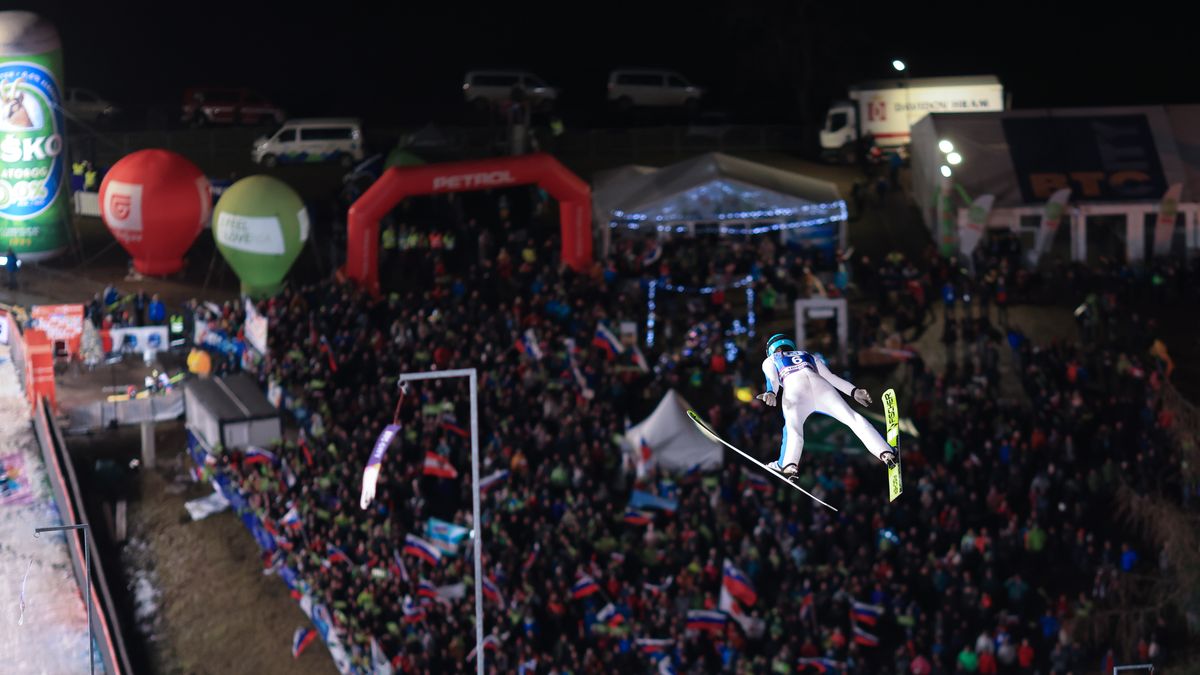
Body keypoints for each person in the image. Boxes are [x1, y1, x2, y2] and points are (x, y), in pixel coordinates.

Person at [756, 333, 895, 478]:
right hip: (821, 387)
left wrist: (771, 392)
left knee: (793, 429)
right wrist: (854, 391)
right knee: (853, 418)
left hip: (794, 390)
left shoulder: (771, 359)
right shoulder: (806, 354)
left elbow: (771, 378)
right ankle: (885, 452)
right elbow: (831, 377)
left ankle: (789, 464)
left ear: (771, 350)